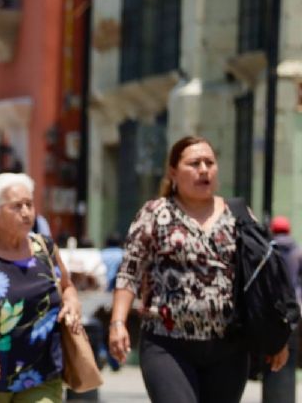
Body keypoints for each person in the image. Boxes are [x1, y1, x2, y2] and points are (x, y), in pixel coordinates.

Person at [108, 136, 289, 403]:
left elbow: (263, 279)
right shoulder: (155, 214)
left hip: (228, 347)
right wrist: (117, 322)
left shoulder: (238, 214)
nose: (204, 169)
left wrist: (276, 335)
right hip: (167, 344)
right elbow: (129, 272)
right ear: (173, 172)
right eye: (194, 163)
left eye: (209, 163)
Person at [0, 173, 82, 402]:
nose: (26, 212)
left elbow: (67, 286)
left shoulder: (45, 249)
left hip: (41, 372)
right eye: (16, 206)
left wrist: (71, 301)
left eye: (29, 204)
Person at [261, 215, 301, 403]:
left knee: (271, 357)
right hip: (295, 312)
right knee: (290, 359)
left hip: (270, 312)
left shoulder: (266, 250)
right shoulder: (298, 252)